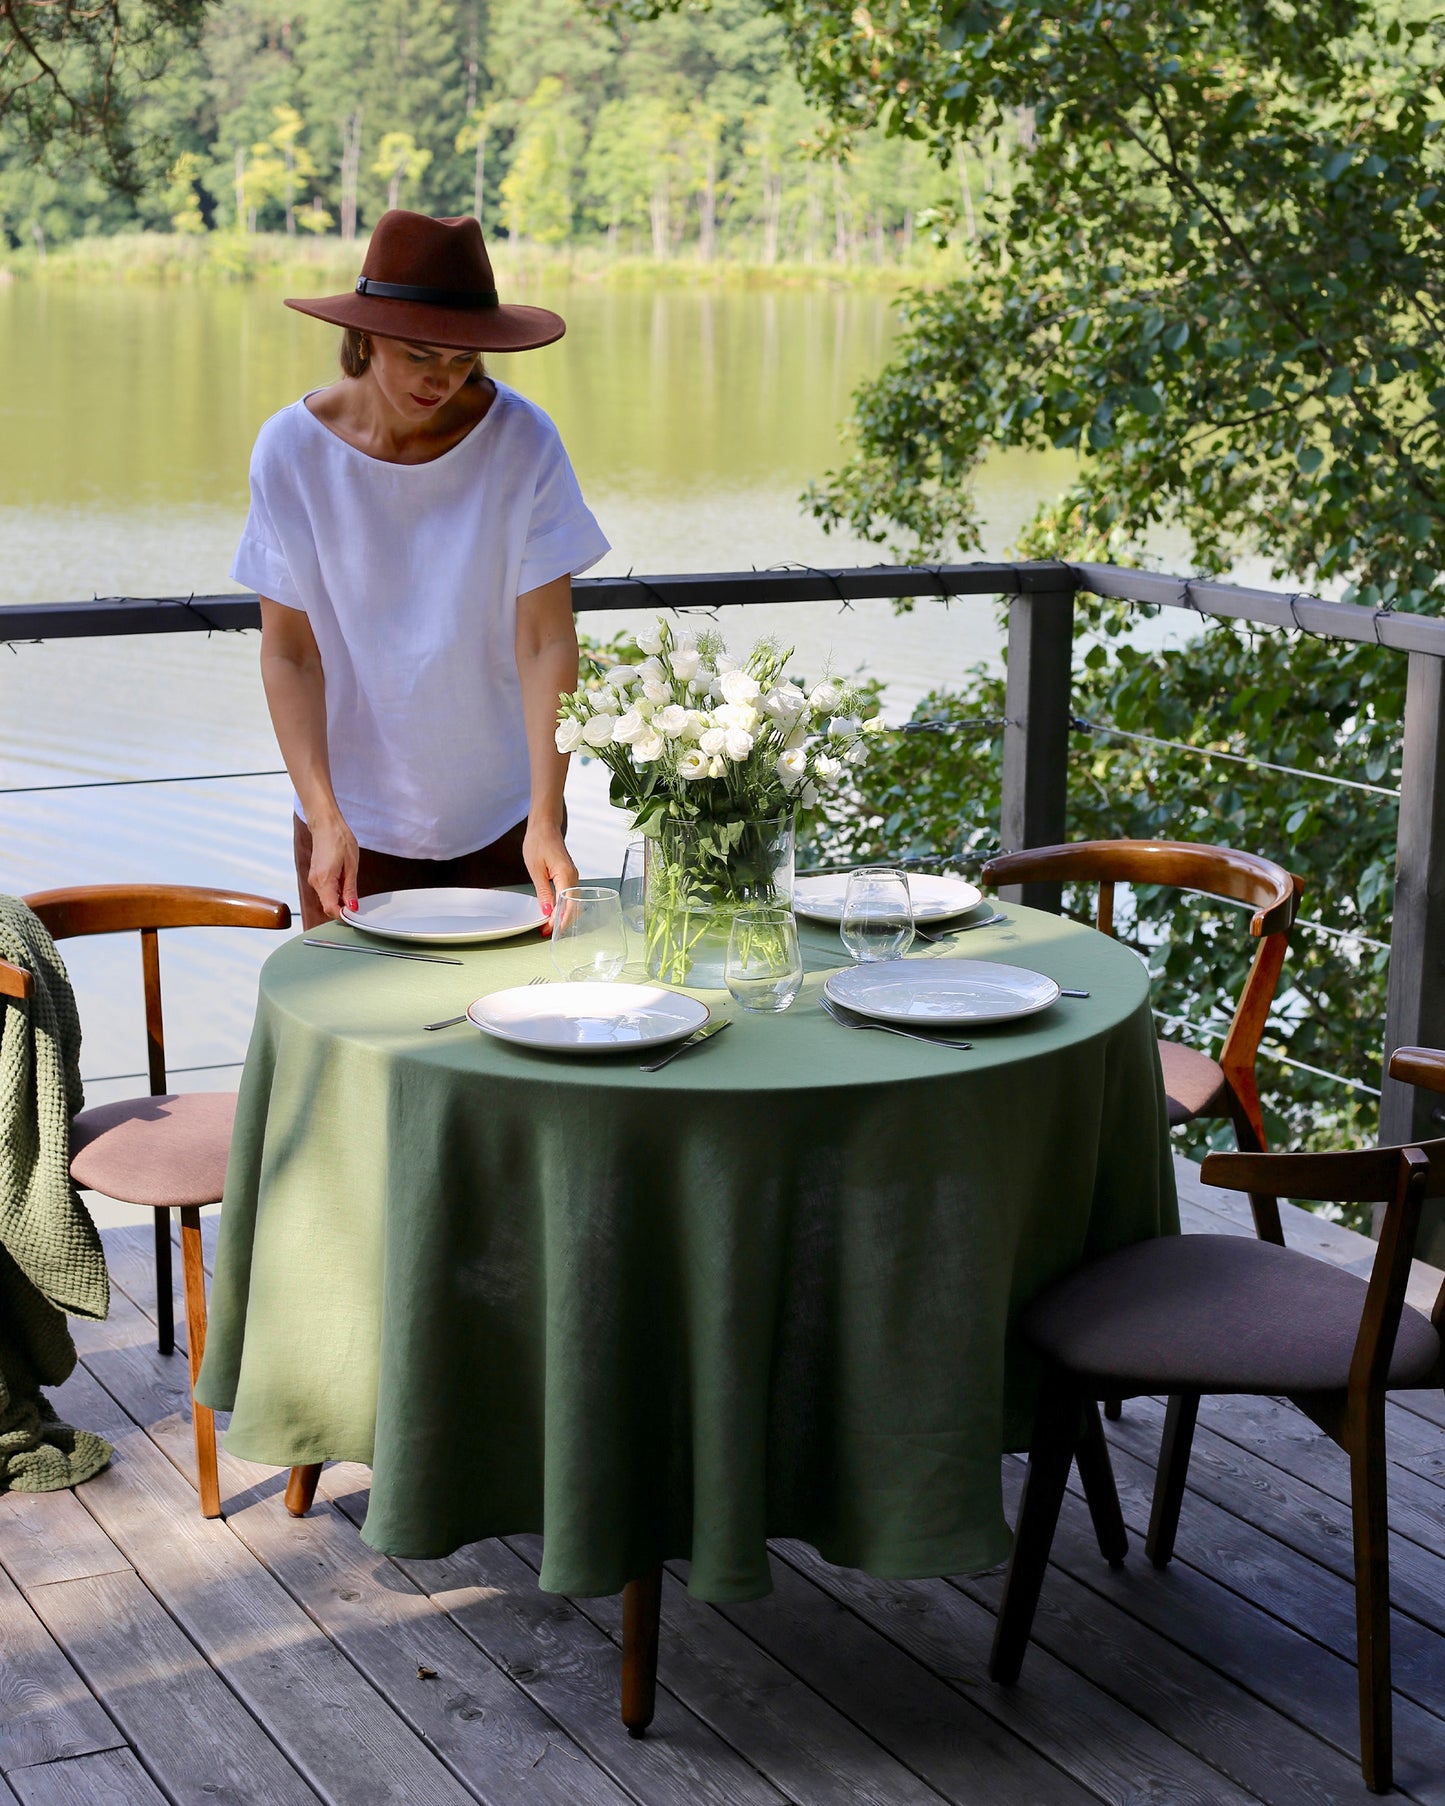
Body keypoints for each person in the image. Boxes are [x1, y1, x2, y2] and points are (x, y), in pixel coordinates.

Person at [232, 209, 609, 930]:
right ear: (364, 335)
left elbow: (546, 642)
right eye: (418, 355)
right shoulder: (290, 451)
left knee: (512, 1027)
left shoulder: (522, 441)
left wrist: (545, 815)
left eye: (460, 359)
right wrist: (323, 814)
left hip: (507, 818)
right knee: (353, 1033)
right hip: (348, 824)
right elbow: (289, 653)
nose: (440, 379)